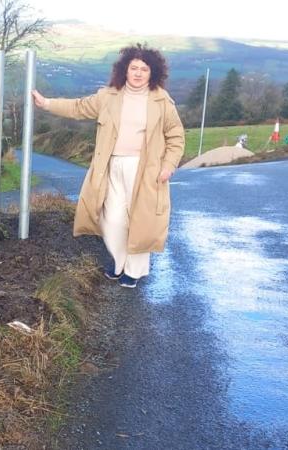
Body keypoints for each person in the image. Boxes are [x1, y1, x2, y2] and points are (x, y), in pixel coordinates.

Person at [32, 44, 185, 288]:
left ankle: (133, 272)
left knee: (140, 221)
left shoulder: (162, 101)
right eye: (133, 68)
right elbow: (79, 107)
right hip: (111, 166)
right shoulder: (108, 96)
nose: (137, 73)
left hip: (146, 170)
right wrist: (47, 104)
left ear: (152, 72)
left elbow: (176, 137)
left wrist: (168, 165)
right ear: (124, 70)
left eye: (143, 69)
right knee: (112, 219)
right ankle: (119, 260)